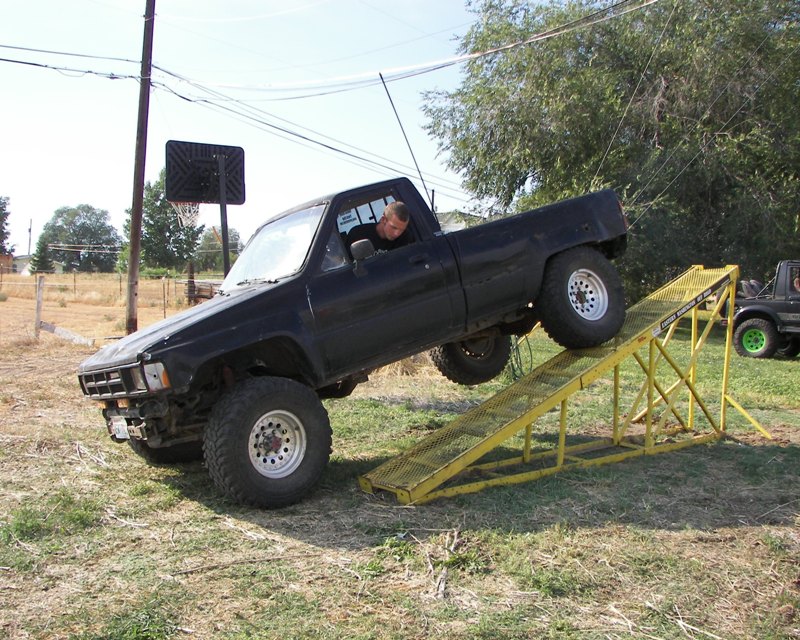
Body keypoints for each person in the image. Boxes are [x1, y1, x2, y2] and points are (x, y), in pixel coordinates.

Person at [347, 201, 411, 255]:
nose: (397, 234)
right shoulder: (358, 234)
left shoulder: (405, 237)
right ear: (384, 220)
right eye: (394, 227)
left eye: (401, 230)